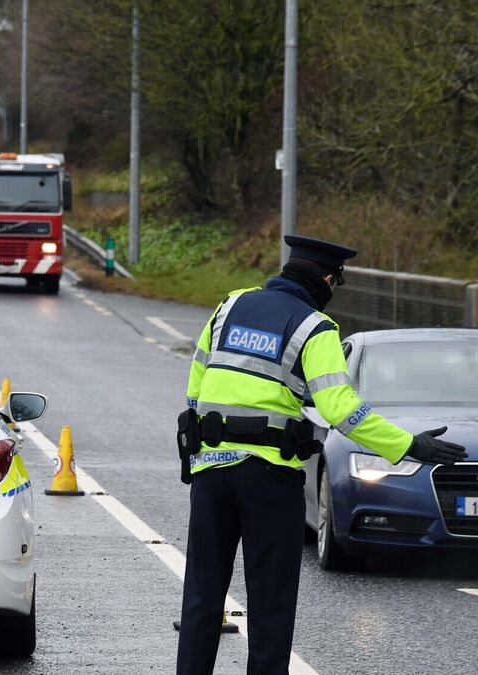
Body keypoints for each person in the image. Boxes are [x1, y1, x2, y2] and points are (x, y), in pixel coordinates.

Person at [175, 235, 467, 675]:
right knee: (270, 606)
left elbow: (196, 384)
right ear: (328, 280)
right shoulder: (315, 328)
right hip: (270, 481)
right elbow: (341, 410)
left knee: (202, 597)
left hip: (211, 474)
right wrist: (408, 445)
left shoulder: (230, 305)